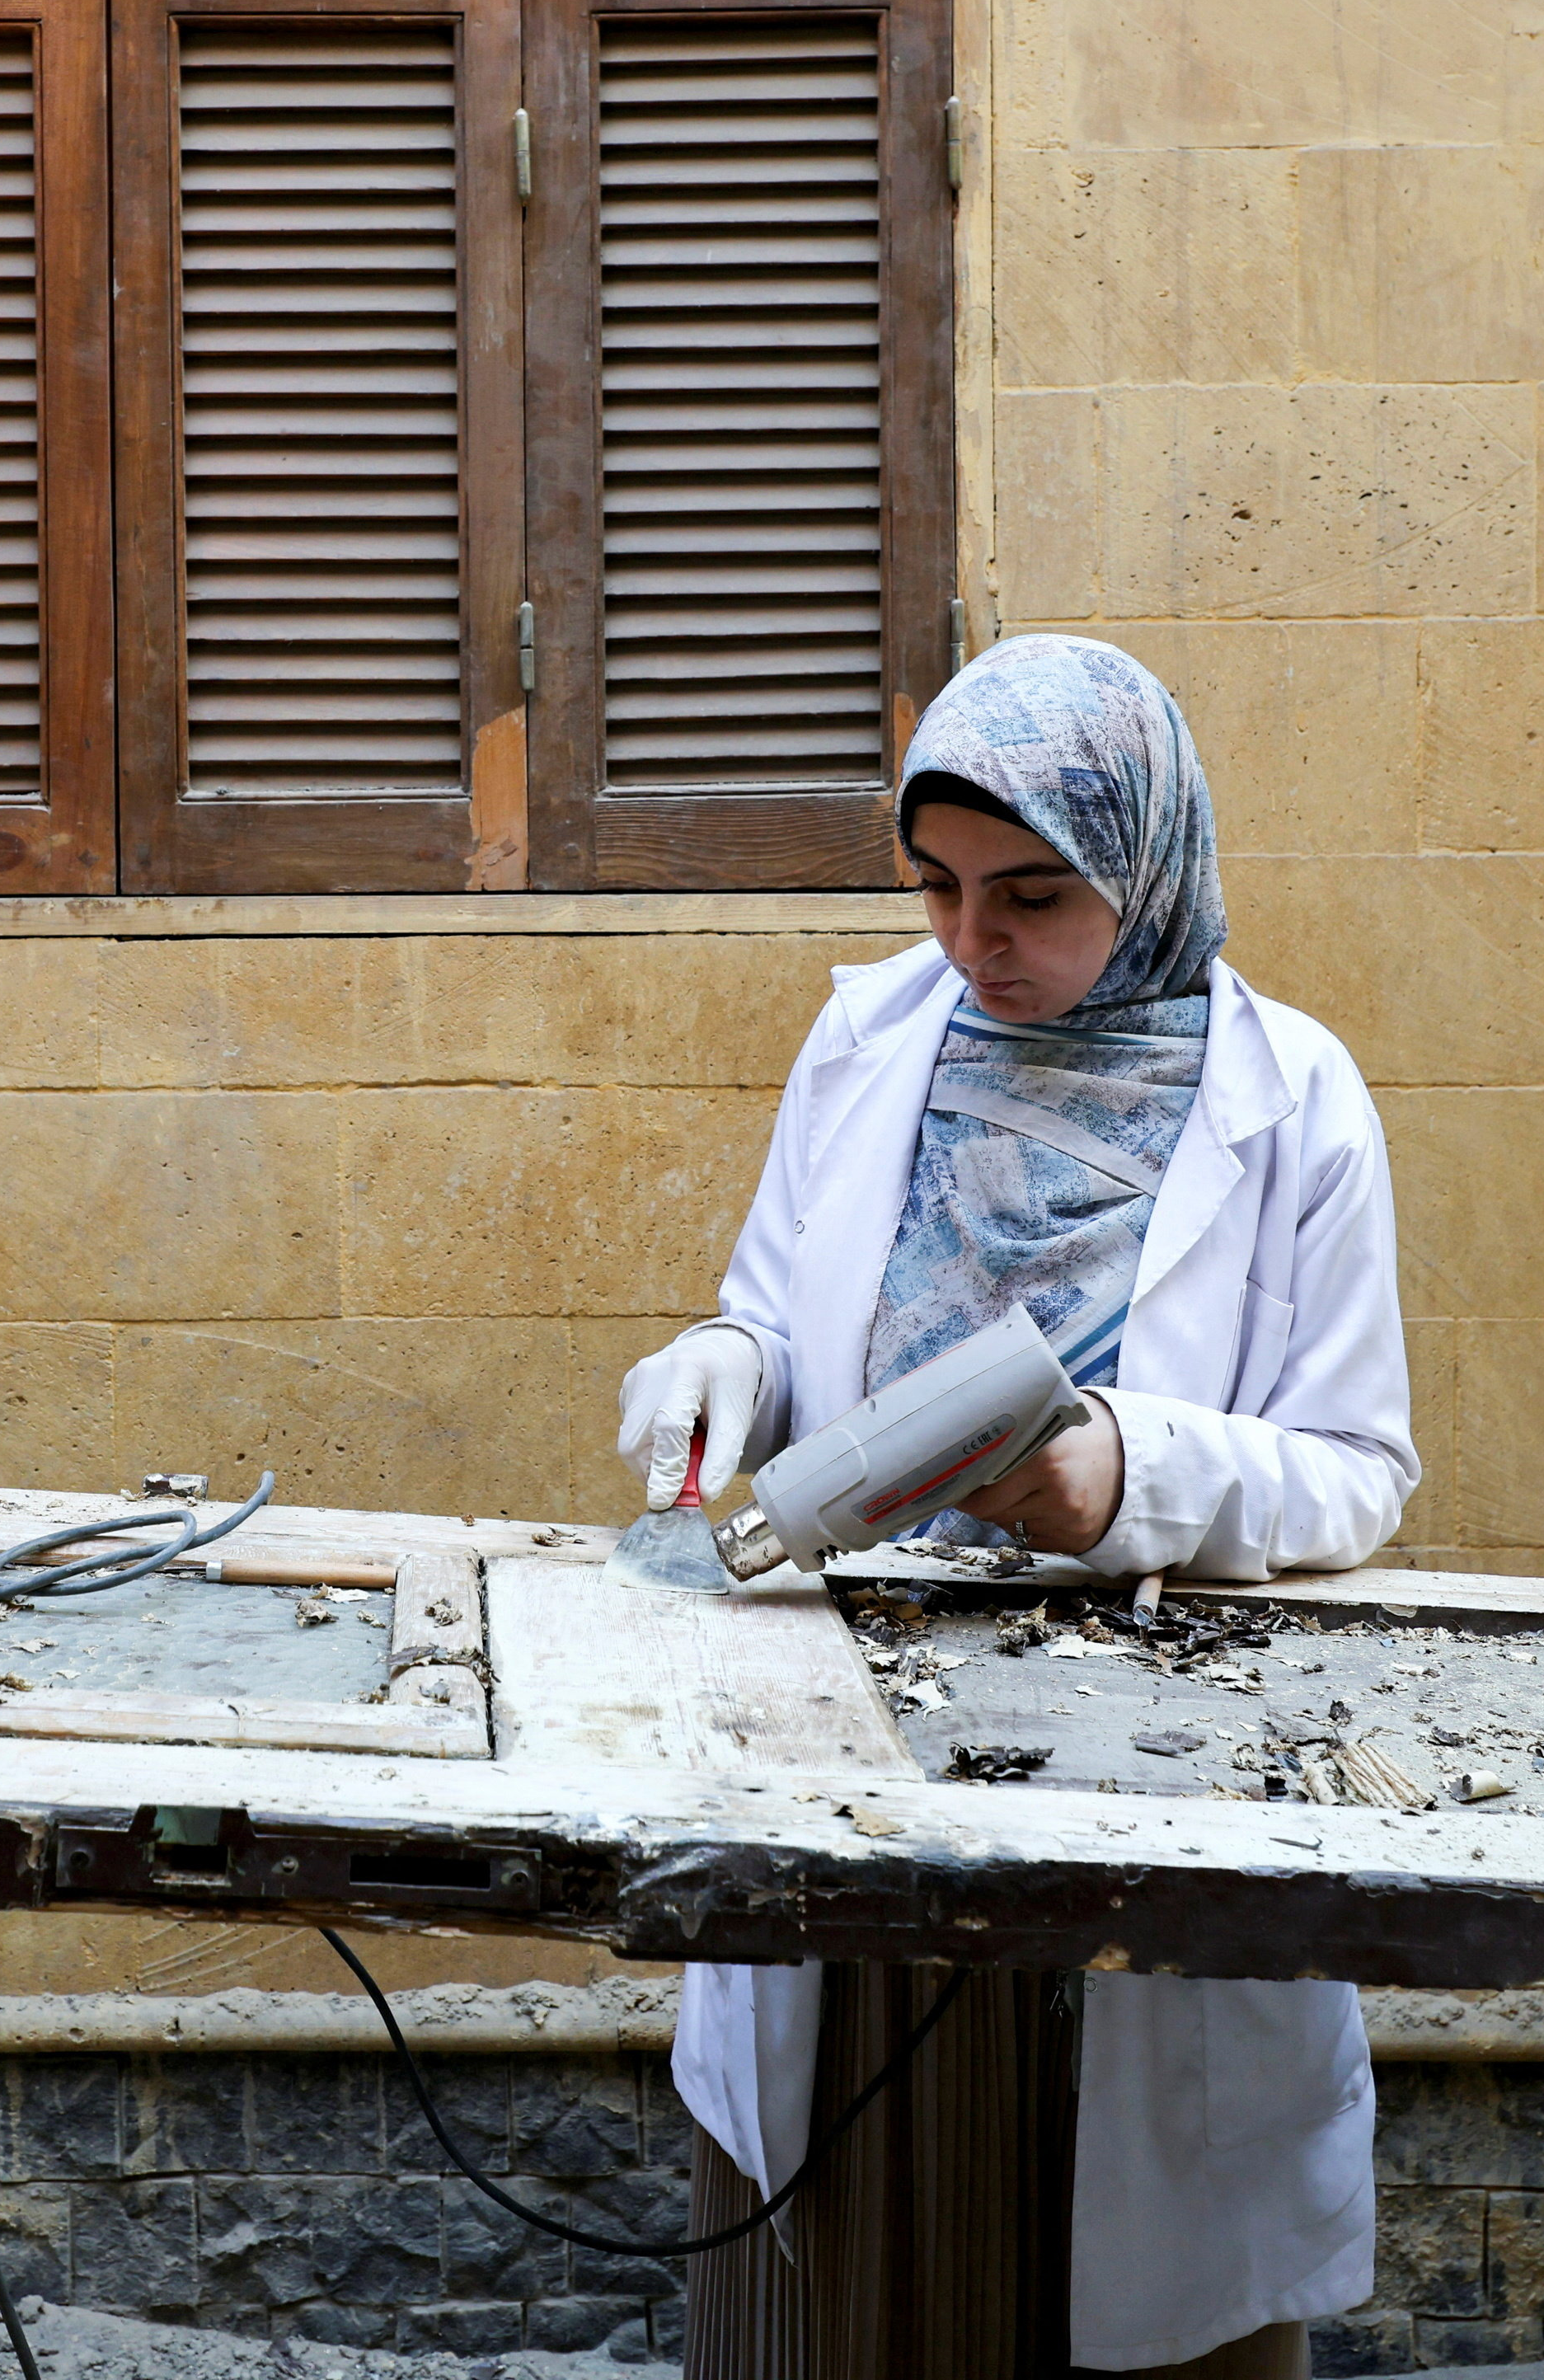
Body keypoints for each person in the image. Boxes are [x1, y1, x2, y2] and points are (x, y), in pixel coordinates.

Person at [613, 632, 1420, 2380]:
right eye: (937, 888)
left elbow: (1355, 1469)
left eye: (1031, 896)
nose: (973, 943)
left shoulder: (1294, 1105)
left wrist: (1115, 1478)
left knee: (1143, 2297)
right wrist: (717, 1366)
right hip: (854, 1772)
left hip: (1144, 1790)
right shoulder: (865, 1041)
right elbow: (769, 1297)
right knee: (850, 2281)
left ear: (1140, 870)